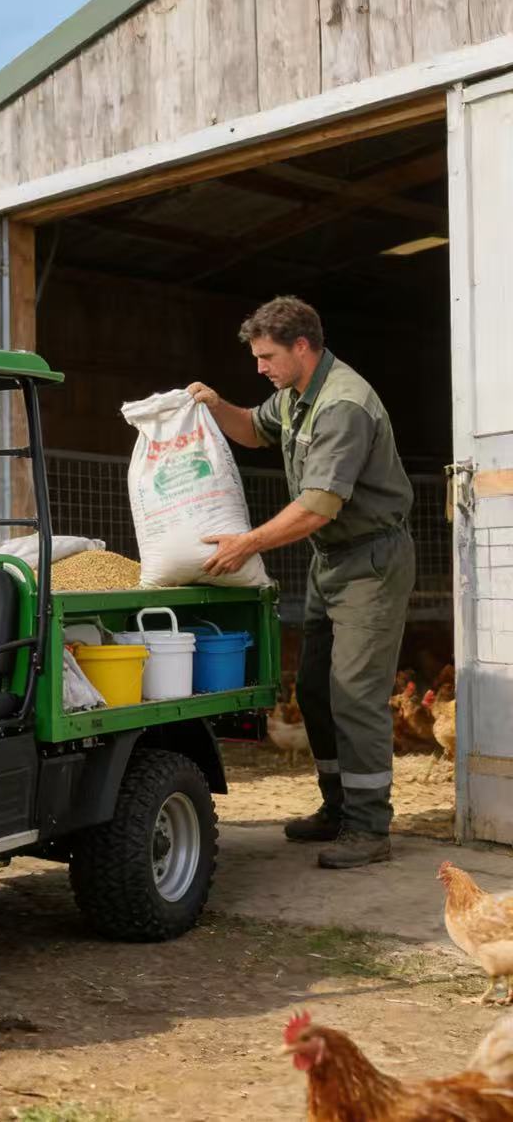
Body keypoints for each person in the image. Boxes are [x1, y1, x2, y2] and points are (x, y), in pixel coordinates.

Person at [187, 296, 415, 869]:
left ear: (303, 347)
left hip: (370, 560)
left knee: (355, 694)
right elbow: (253, 429)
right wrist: (214, 405)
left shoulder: (343, 405)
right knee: (313, 689)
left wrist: (246, 543)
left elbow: (318, 506)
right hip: (331, 560)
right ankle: (337, 808)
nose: (260, 367)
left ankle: (369, 827)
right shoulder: (294, 397)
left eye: (267, 356)